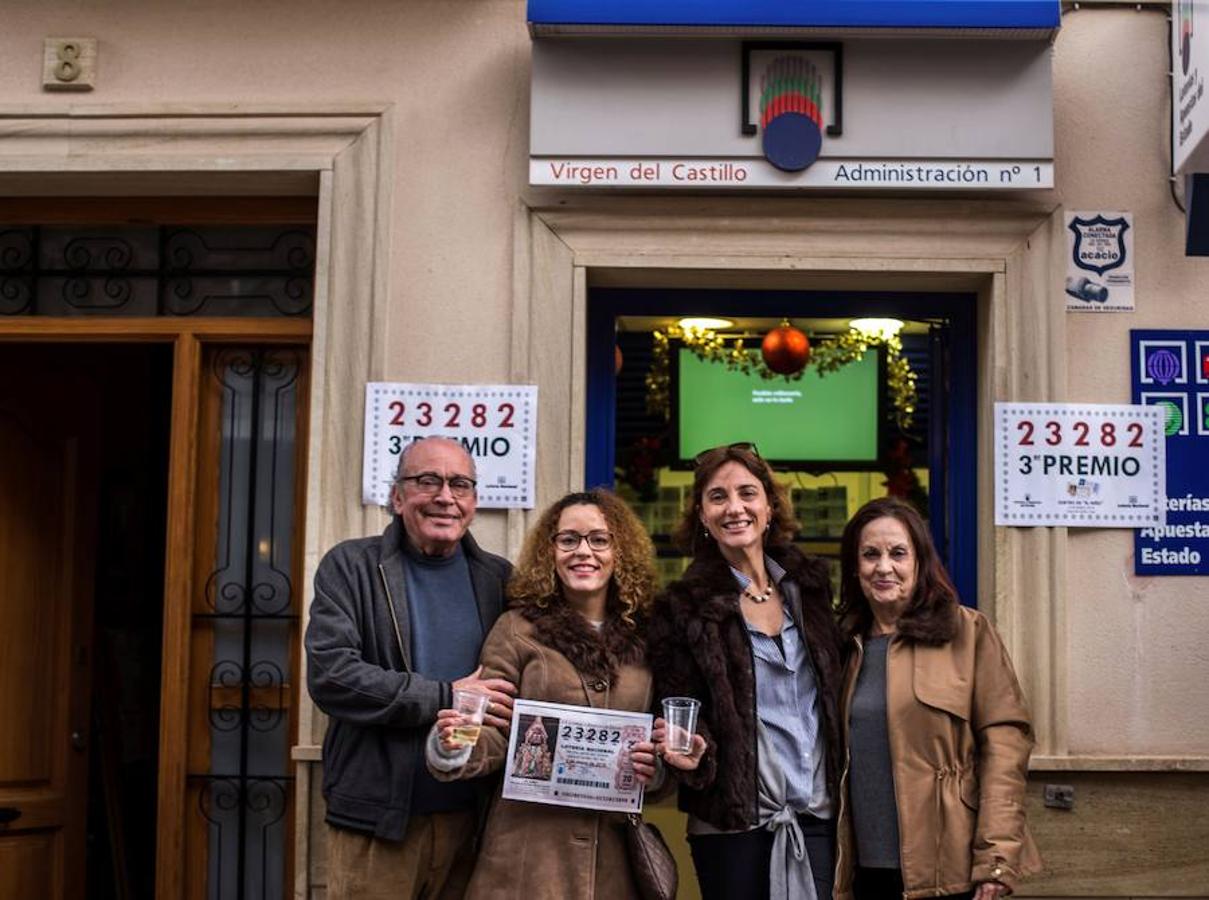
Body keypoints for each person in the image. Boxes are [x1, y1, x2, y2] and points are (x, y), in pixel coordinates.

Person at [427, 489, 705, 900]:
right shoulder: (516, 628)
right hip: (525, 861)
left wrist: (659, 769)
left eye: (599, 539)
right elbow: (491, 728)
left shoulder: (650, 638)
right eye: (568, 539)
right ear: (550, 551)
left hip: (614, 867)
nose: (583, 551)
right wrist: (453, 744)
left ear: (619, 551)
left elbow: (657, 751)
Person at [305, 437, 517, 900]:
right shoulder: (352, 566)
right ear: (398, 496)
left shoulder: (499, 579)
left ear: (474, 501)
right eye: (427, 481)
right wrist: (446, 696)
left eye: (459, 484)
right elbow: (332, 674)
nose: (445, 496)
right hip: (377, 825)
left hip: (471, 825)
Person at [646, 444, 844, 900]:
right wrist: (696, 750)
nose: (734, 508)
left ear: (770, 508)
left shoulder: (810, 590)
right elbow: (679, 708)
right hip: (731, 826)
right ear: (701, 514)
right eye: (718, 497)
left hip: (820, 817)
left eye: (747, 493)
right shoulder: (682, 608)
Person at [833, 497, 1041, 900]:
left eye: (898, 553)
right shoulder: (843, 646)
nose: (883, 567)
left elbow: (1005, 747)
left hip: (951, 868)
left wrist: (996, 858)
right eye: (869, 555)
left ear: (919, 562)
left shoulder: (967, 632)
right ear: (854, 567)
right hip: (864, 871)